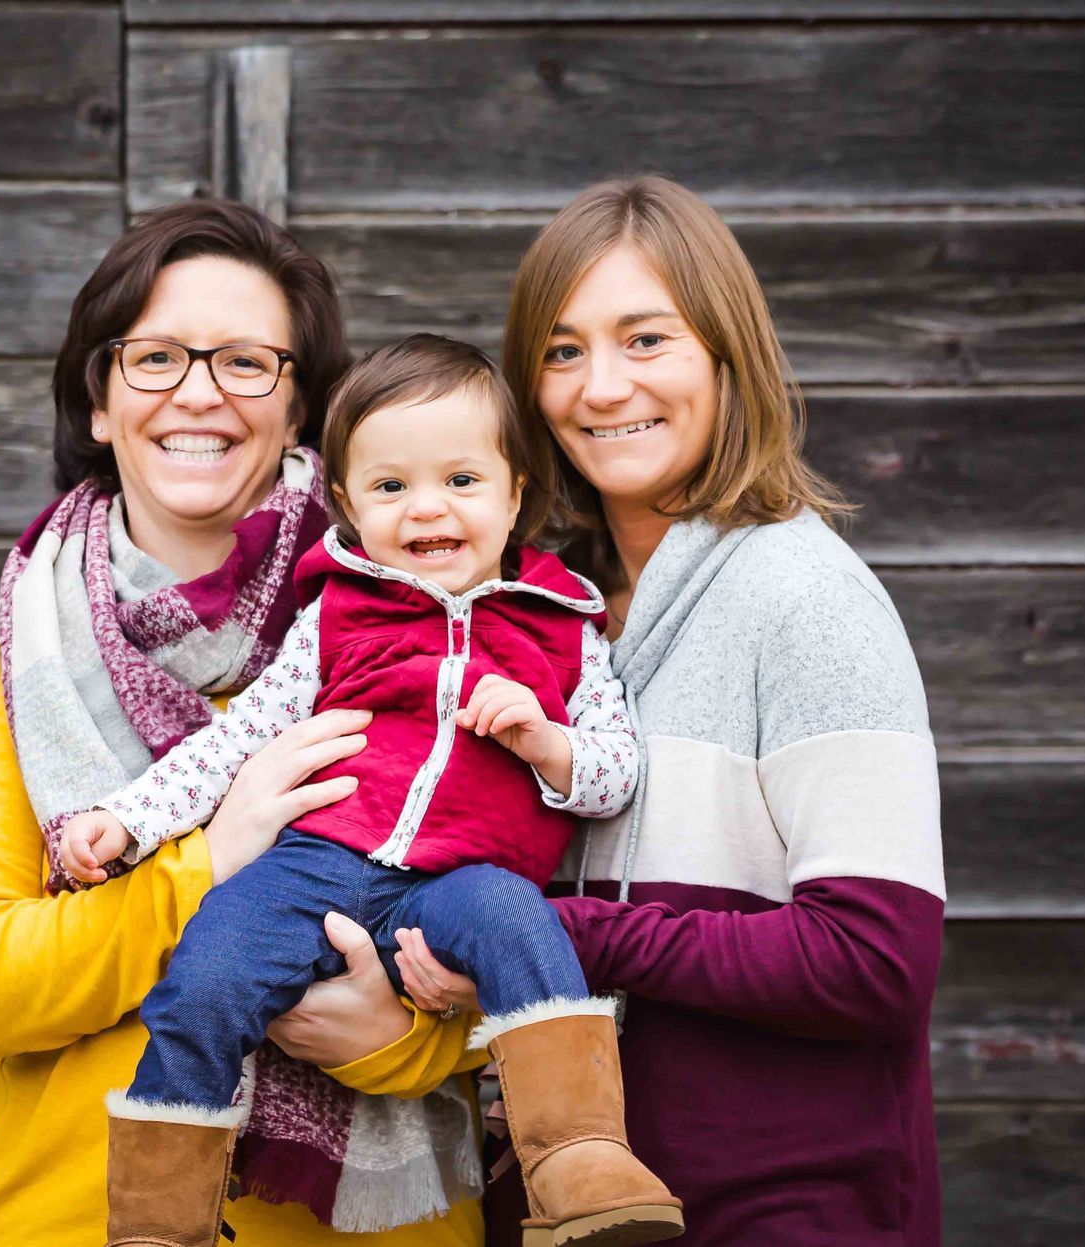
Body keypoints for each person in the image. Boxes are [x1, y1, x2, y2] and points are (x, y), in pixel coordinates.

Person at [0, 200, 490, 1246]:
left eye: (246, 363)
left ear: (304, 407)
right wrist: (208, 863)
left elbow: (534, 964)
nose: (199, 394)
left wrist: (403, 1041)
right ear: (99, 399)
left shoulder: (448, 649)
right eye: (156, 357)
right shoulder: (4, 684)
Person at [401, 175, 947, 1245]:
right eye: (562, 352)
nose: (602, 387)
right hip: (569, 1210)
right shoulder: (549, 616)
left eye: (645, 339)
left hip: (781, 1211)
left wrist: (560, 935)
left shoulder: (808, 599)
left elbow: (878, 964)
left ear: (725, 353)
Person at [61, 335, 683, 1247]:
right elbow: (240, 736)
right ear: (351, 509)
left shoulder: (561, 627)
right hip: (315, 864)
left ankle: (579, 1160)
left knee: (525, 926)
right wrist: (128, 816)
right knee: (209, 965)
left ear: (516, 492)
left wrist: (548, 742)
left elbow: (616, 772)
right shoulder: (337, 615)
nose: (427, 506)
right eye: (391, 488)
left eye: (462, 481)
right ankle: (161, 1216)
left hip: (461, 880)